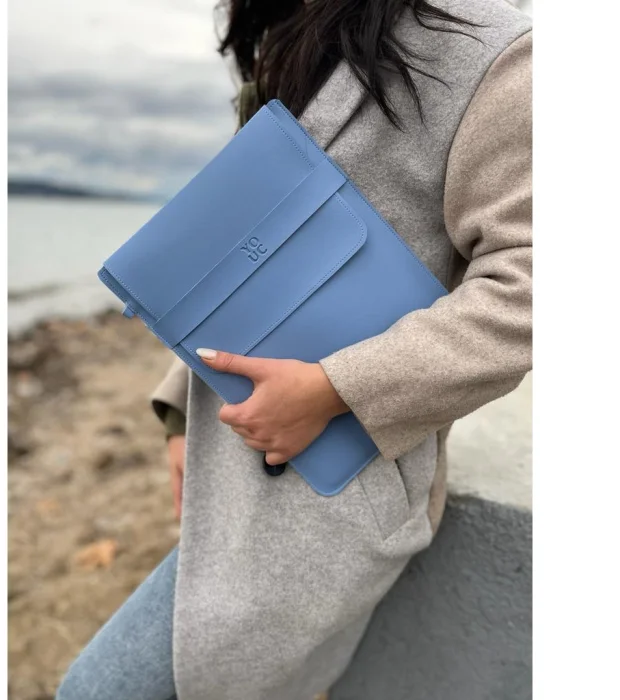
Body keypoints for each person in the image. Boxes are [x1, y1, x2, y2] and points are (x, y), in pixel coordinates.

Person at [56, 0, 532, 698]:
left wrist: (338, 387)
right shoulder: (289, 24)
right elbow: (239, 253)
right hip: (233, 452)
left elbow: (530, 288)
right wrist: (179, 411)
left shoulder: (491, 49)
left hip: (335, 487)